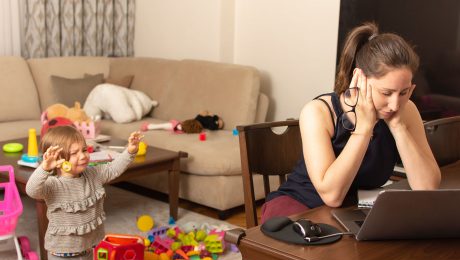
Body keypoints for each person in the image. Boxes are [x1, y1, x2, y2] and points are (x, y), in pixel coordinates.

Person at [261, 22, 441, 223]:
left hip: (351, 211)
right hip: (301, 208)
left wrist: (399, 128)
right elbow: (332, 196)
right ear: (360, 78)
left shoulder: (405, 112)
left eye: (404, 92)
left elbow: (427, 187)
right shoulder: (318, 112)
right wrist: (364, 128)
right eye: (386, 93)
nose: (394, 104)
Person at [26, 126, 143, 260]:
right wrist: (44, 168)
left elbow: (114, 168)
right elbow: (32, 190)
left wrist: (130, 151)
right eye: (74, 153)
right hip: (62, 257)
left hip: (87, 252)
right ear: (59, 160)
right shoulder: (52, 185)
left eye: (84, 150)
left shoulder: (93, 174)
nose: (82, 156)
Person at [140, 110, 224, 133]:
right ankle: (149, 126)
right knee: (167, 126)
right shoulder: (209, 121)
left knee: (167, 126)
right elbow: (204, 112)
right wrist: (213, 116)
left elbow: (204, 112)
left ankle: (149, 126)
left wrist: (213, 116)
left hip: (192, 124)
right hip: (191, 124)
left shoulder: (211, 124)